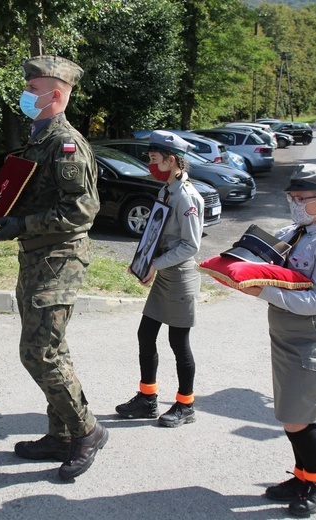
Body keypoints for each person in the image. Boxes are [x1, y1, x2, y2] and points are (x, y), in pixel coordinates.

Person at [0, 55, 108, 480]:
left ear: (55, 94)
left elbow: (82, 210)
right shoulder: (42, 138)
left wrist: (22, 223)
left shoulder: (66, 142)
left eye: (32, 89)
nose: (25, 95)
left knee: (38, 351)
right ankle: (60, 434)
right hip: (38, 255)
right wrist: (2, 212)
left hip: (58, 259)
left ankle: (87, 431)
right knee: (54, 348)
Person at [238, 164, 316, 516]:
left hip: (313, 336)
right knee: (291, 411)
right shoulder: (297, 231)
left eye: (302, 199)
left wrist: (263, 292)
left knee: (298, 415)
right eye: (292, 197)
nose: (294, 204)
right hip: (289, 332)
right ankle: (304, 474)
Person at [116, 130, 204, 427]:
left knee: (178, 342)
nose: (151, 164)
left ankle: (185, 404)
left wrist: (155, 264)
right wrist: (141, 262)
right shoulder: (166, 190)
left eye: (155, 159)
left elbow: (191, 245)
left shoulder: (187, 196)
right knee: (145, 334)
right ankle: (148, 399)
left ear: (172, 160)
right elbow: (156, 232)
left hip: (179, 276)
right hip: (163, 270)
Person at [131, 206, 165, 280]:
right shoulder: (137, 259)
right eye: (152, 229)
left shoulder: (149, 264)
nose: (152, 236)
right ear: (148, 228)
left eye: (156, 232)